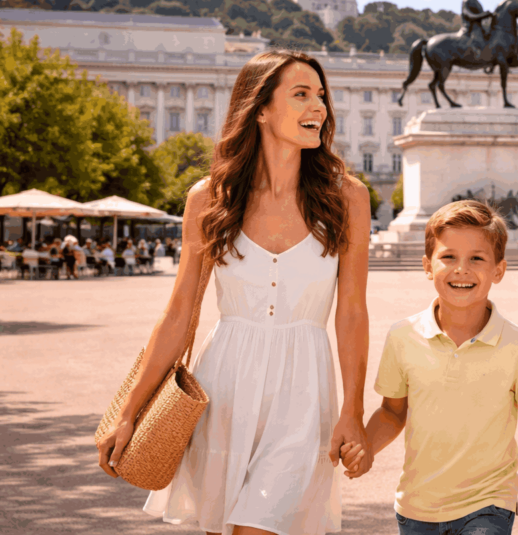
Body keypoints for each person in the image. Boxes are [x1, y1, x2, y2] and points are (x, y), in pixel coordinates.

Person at [97, 50, 372, 535]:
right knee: (224, 526)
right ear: (260, 108)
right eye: (302, 94)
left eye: (321, 96)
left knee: (259, 526)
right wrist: (129, 409)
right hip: (223, 388)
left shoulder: (347, 196)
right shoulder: (208, 198)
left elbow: (351, 312)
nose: (320, 108)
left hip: (305, 390)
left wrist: (353, 409)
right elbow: (179, 312)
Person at [348, 200, 518, 535]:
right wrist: (367, 448)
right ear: (428, 266)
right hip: (417, 508)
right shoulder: (403, 336)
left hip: (490, 504)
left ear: (499, 271)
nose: (462, 268)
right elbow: (392, 411)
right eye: (449, 257)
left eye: (477, 258)